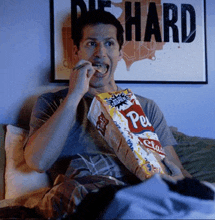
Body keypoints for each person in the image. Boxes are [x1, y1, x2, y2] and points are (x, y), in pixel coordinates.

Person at [24, 9, 191, 218]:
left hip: (138, 197)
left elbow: (176, 170)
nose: (100, 53)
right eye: (91, 43)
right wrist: (75, 95)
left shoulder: (145, 107)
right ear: (76, 51)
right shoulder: (53, 102)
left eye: (109, 44)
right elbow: (38, 162)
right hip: (82, 196)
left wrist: (182, 185)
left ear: (120, 53)